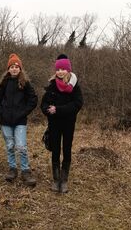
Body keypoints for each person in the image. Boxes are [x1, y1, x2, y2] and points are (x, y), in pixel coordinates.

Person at [41, 54, 83, 193]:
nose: (60, 71)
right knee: (55, 149)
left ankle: (64, 180)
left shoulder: (74, 85)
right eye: (58, 69)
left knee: (66, 149)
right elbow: (43, 104)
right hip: (54, 124)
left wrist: (58, 109)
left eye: (63, 69)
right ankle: (56, 180)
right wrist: (48, 110)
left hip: (69, 123)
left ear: (68, 70)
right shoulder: (51, 85)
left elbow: (77, 104)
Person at [0, 53, 38, 186]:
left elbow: (33, 99)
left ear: (20, 69)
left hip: (20, 121)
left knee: (21, 146)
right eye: (12, 66)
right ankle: (12, 169)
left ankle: (25, 171)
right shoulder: (3, 83)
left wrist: (24, 112)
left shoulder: (25, 83)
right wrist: (1, 112)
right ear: (8, 69)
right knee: (10, 146)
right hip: (6, 121)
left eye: (16, 66)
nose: (14, 69)